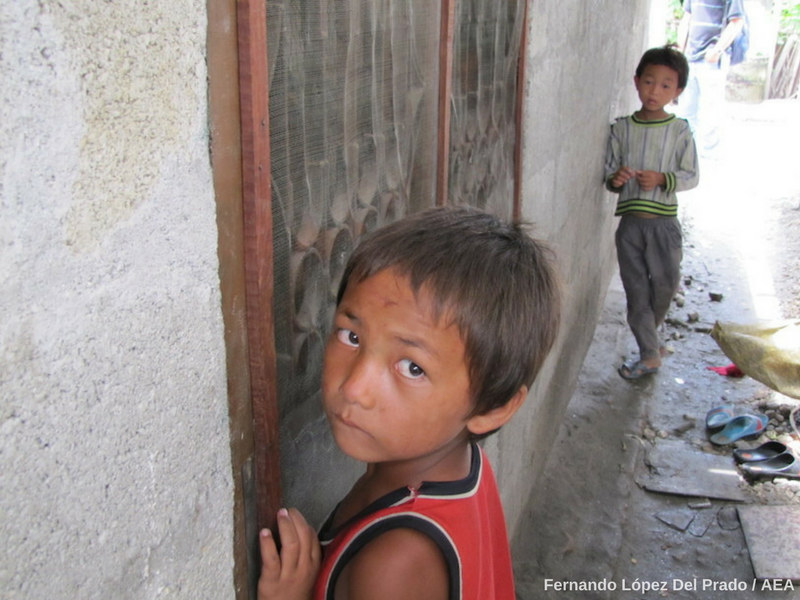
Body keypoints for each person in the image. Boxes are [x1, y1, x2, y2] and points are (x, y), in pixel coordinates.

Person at [257, 206, 561, 600]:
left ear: (493, 408)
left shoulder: (393, 566)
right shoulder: (464, 465)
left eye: (413, 368)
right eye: (351, 336)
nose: (354, 388)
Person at [604, 46, 699, 380]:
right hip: (630, 227)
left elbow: (691, 175)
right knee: (636, 293)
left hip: (663, 226)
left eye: (665, 85)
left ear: (677, 92)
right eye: (648, 82)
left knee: (665, 286)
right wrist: (617, 179)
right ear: (636, 82)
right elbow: (610, 175)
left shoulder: (679, 131)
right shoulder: (621, 128)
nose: (654, 91)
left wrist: (663, 178)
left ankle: (650, 341)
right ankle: (649, 353)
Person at [678, 0, 746, 155]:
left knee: (710, 112)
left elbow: (736, 22)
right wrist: (680, 50)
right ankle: (685, 154)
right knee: (686, 110)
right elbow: (687, 17)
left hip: (711, 60)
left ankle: (708, 157)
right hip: (690, 57)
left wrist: (717, 50)